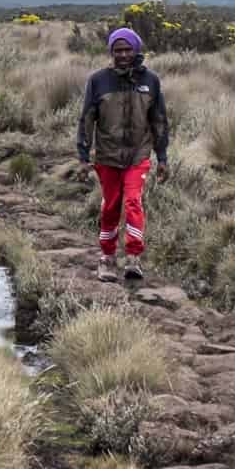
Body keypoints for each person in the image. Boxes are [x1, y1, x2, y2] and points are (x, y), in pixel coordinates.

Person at [77, 28, 169, 281]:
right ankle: (106, 257)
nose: (123, 55)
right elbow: (86, 119)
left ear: (136, 50)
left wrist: (162, 158)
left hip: (138, 154)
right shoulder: (98, 81)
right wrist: (83, 157)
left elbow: (159, 120)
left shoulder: (150, 80)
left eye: (128, 50)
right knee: (111, 206)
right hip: (107, 155)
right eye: (118, 51)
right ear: (111, 52)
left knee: (133, 202)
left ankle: (133, 258)